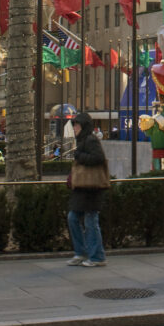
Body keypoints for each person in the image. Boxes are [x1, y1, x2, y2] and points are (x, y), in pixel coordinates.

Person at [66, 111, 109, 267]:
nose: (75, 128)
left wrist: (79, 156)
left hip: (92, 187)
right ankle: (82, 252)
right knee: (73, 217)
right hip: (84, 187)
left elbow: (98, 158)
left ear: (83, 126)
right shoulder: (83, 140)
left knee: (91, 221)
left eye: (77, 125)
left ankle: (97, 256)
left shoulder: (90, 140)